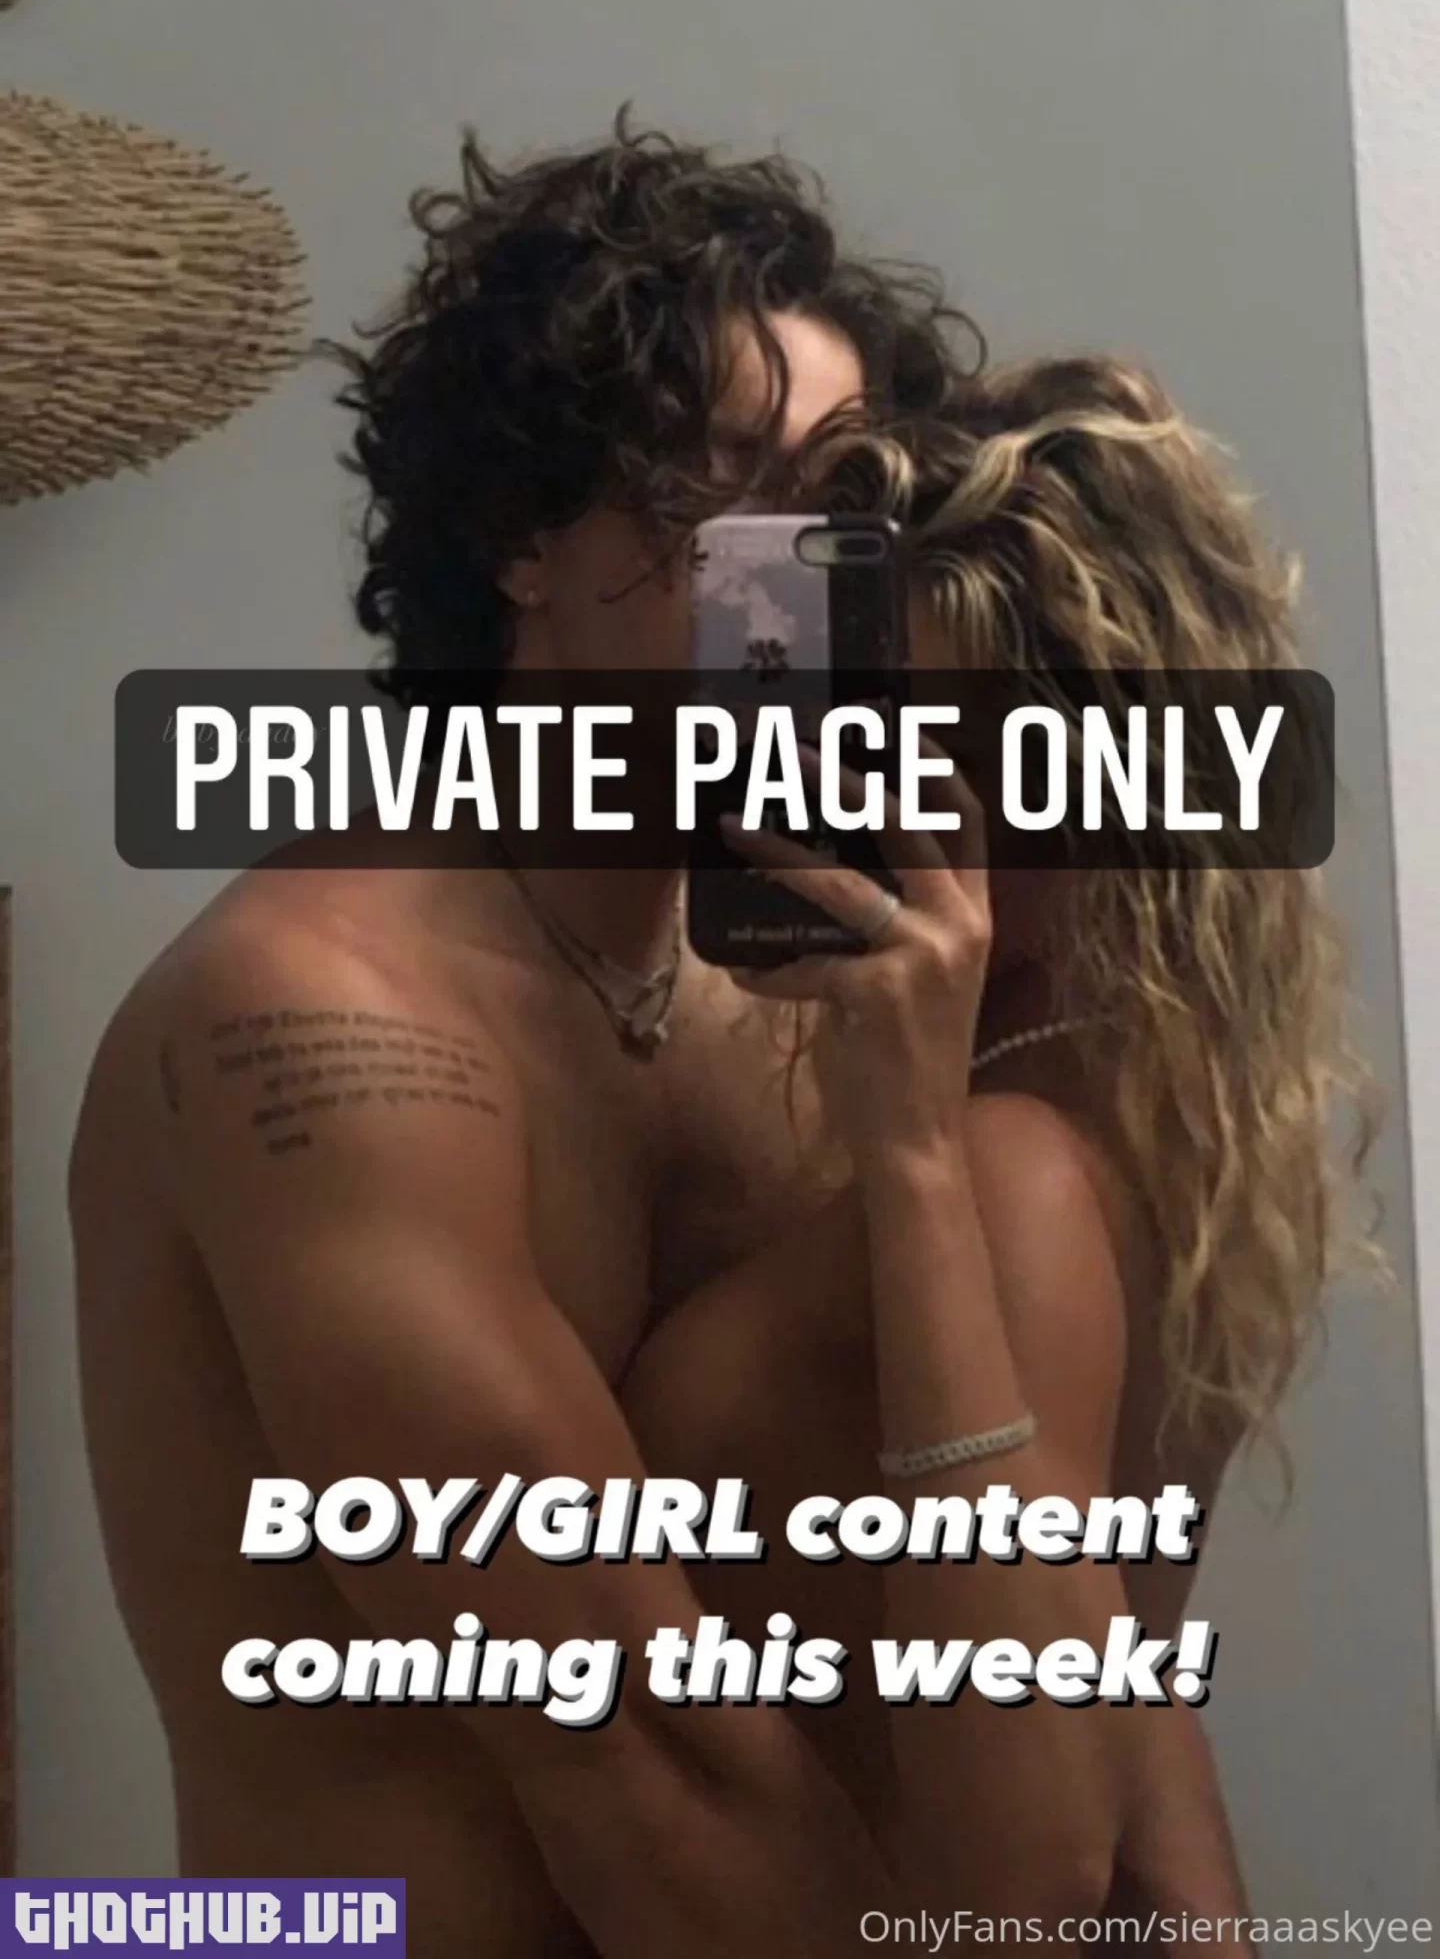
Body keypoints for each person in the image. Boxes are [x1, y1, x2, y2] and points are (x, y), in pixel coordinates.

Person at [70, 115, 989, 1959]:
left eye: (837, 493)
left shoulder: (807, 990)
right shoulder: (322, 1015)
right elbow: (642, 1759)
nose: (794, 562)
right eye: (723, 481)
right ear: (517, 536)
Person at [623, 352, 1375, 1928]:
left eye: (935, 748)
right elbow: (1127, 1701)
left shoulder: (1004, 1169)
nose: (851, 784)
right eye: (857, 719)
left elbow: (1029, 1884)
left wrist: (911, 1157)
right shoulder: (1161, 1124)